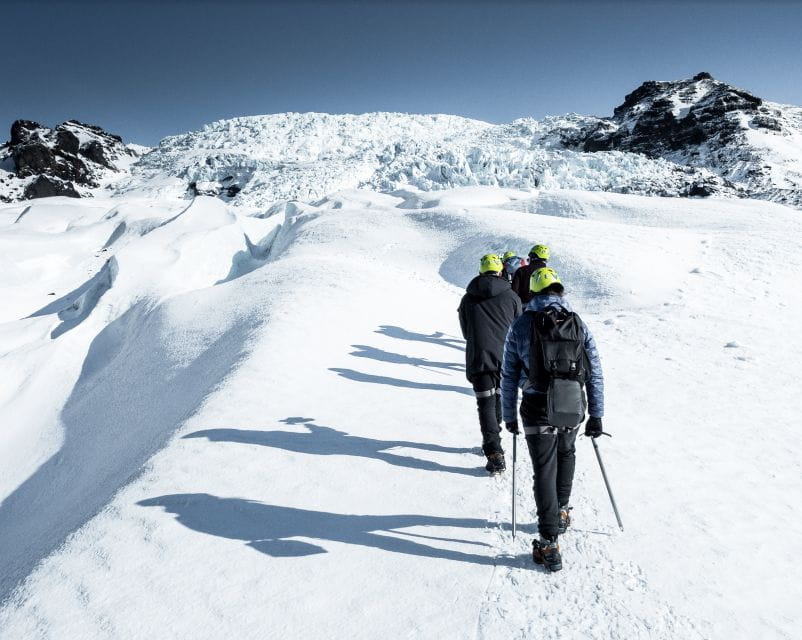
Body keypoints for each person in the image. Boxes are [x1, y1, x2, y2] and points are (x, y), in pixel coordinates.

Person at [500, 267, 605, 571]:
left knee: (544, 470)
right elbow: (594, 370)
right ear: (560, 291)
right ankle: (561, 511)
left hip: (536, 408)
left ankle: (549, 543)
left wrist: (508, 415)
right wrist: (596, 414)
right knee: (567, 452)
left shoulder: (520, 325)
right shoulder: (578, 324)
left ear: (531, 293)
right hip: (572, 404)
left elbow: (509, 375)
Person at [458, 254, 523, 474]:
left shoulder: (468, 298)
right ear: (499, 271)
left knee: (485, 402)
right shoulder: (512, 296)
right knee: (498, 397)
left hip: (479, 356)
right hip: (506, 358)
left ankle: (494, 450)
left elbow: (466, 332)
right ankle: (494, 437)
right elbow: (519, 328)